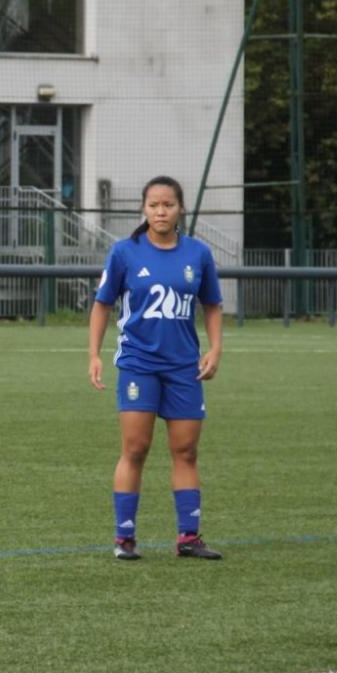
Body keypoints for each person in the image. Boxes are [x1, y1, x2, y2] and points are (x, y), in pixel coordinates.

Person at [88, 175, 224, 561]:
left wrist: (215, 349)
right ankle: (125, 539)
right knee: (135, 448)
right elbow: (102, 304)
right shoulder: (125, 253)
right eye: (153, 205)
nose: (160, 211)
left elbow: (212, 305)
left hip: (184, 368)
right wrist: (94, 354)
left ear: (180, 209)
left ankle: (188, 538)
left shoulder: (198, 254)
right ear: (143, 210)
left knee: (186, 450)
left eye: (167, 204)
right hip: (139, 365)